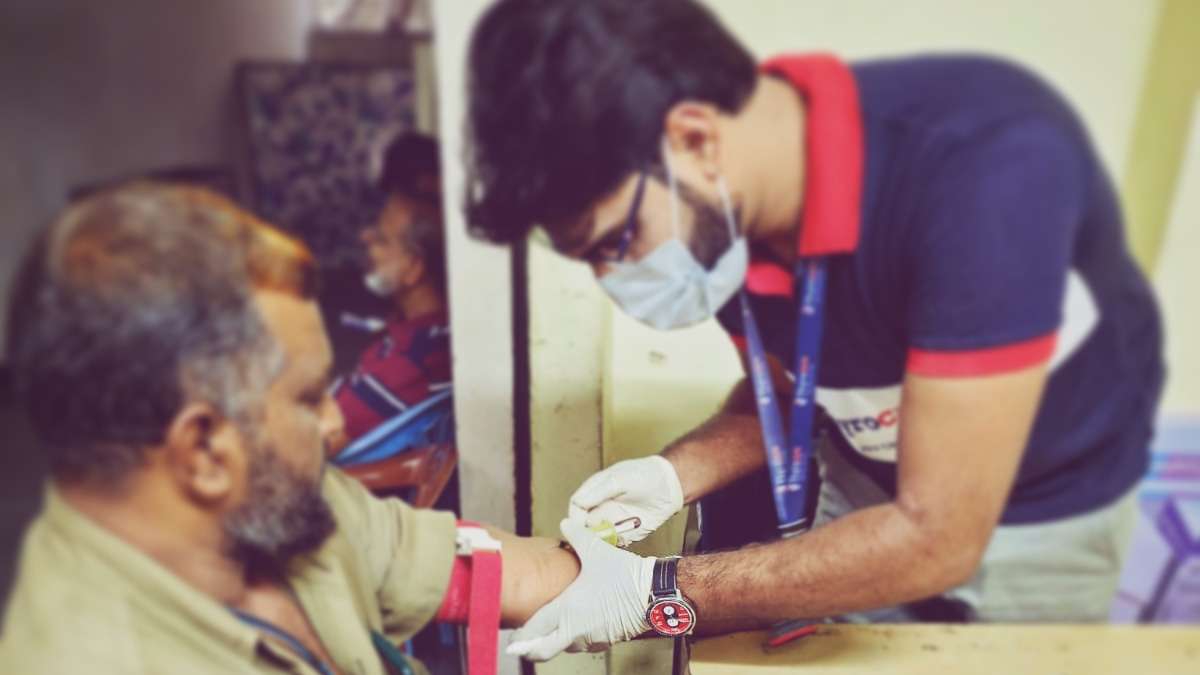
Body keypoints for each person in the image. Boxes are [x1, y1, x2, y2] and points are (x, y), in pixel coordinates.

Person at [463, 0, 1165, 661]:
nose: (615, 281)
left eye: (614, 243)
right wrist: (674, 476)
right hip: (868, 492)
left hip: (1040, 520)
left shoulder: (987, 170)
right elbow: (788, 387)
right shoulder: (726, 217)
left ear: (695, 138)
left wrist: (655, 594)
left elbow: (937, 534)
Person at [0, 184, 579, 674]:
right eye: (307, 399)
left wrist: (632, 574)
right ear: (203, 451)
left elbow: (473, 569)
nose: (334, 422)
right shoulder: (87, 657)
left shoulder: (281, 498)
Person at [333, 133, 452, 444]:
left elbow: (320, 433)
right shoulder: (424, 331)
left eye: (382, 239)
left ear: (414, 268)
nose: (365, 238)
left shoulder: (406, 366)